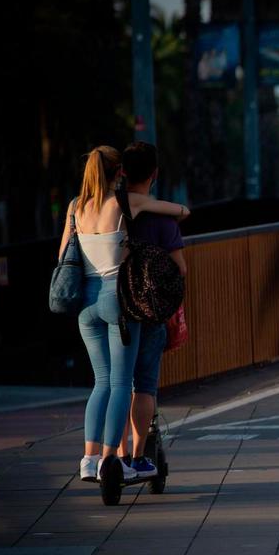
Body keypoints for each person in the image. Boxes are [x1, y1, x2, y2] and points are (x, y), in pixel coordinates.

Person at [59, 146, 189, 485]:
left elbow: (63, 255)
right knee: (120, 383)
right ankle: (110, 461)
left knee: (99, 383)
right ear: (119, 174)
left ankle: (88, 459)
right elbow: (180, 210)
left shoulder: (75, 207)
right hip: (116, 300)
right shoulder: (123, 204)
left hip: (85, 303)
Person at [114, 142, 188, 475]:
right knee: (144, 384)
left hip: (114, 309)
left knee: (116, 383)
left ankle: (116, 452)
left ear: (123, 172)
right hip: (149, 310)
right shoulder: (161, 216)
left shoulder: (108, 210)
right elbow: (180, 268)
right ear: (155, 174)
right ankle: (140, 455)